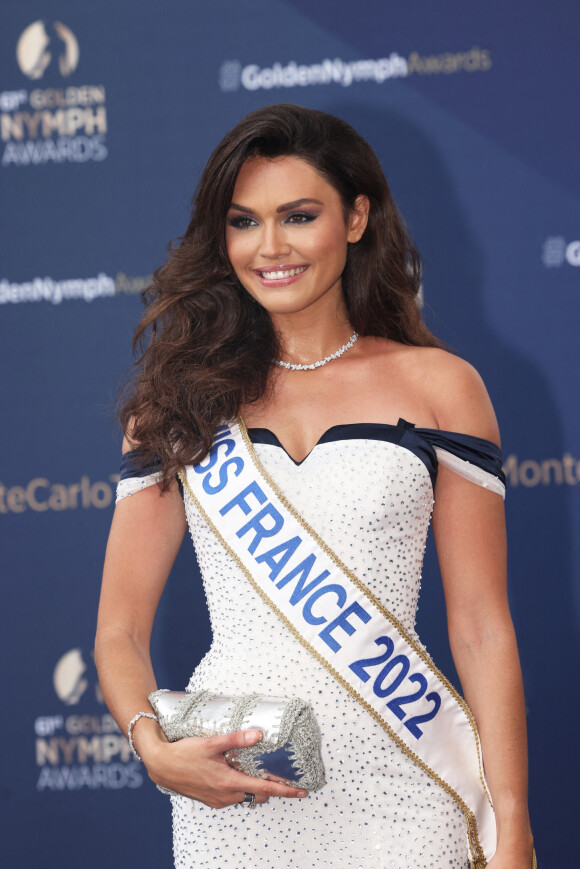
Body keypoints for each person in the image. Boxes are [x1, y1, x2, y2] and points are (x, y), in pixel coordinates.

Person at [95, 104, 534, 868]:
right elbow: (119, 630)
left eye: (299, 216)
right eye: (243, 221)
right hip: (232, 780)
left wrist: (513, 824)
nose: (269, 247)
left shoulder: (442, 387)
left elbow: (482, 627)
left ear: (357, 217)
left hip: (405, 778)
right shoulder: (173, 401)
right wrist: (152, 746)